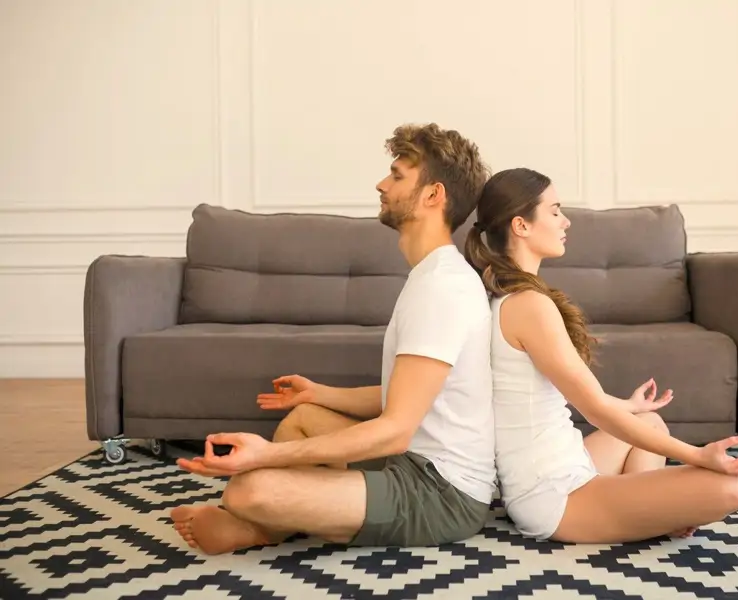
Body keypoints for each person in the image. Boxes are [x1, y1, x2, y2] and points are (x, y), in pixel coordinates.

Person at [170, 123, 496, 554]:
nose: (382, 184)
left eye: (397, 176)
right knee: (303, 417)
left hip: (442, 494)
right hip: (414, 462)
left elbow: (395, 431)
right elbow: (409, 399)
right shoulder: (434, 276)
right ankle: (263, 525)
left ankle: (256, 525)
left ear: (433, 195)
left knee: (248, 491)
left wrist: (262, 456)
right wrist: (319, 392)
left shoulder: (442, 287)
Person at [463, 167, 738, 544]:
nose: (566, 221)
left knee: (649, 422)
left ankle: (647, 511)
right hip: (556, 497)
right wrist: (698, 455)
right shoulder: (529, 305)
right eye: (555, 210)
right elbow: (594, 409)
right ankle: (647, 512)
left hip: (560, 467)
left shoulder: (508, 294)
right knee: (732, 490)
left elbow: (556, 394)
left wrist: (627, 406)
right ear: (521, 226)